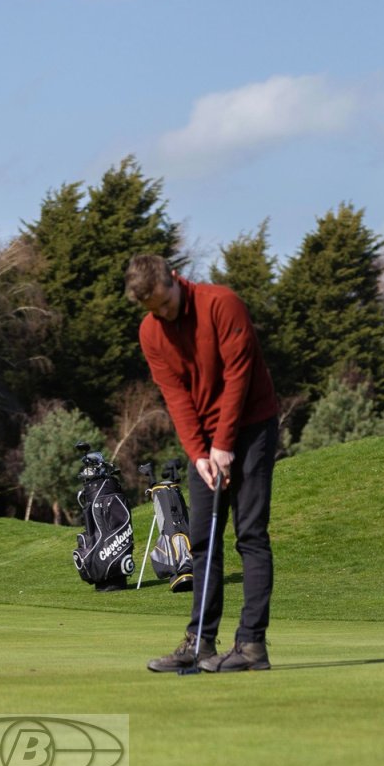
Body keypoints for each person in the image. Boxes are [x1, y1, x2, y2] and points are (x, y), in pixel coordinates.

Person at [126, 254, 280, 674]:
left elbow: (239, 376)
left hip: (251, 427)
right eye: (153, 310)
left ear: (175, 280)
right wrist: (198, 452)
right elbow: (175, 395)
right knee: (202, 540)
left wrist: (225, 444)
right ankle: (201, 643)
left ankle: (251, 646)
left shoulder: (221, 304)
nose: (162, 314)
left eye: (166, 304)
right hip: (206, 443)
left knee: (249, 534)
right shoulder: (151, 332)